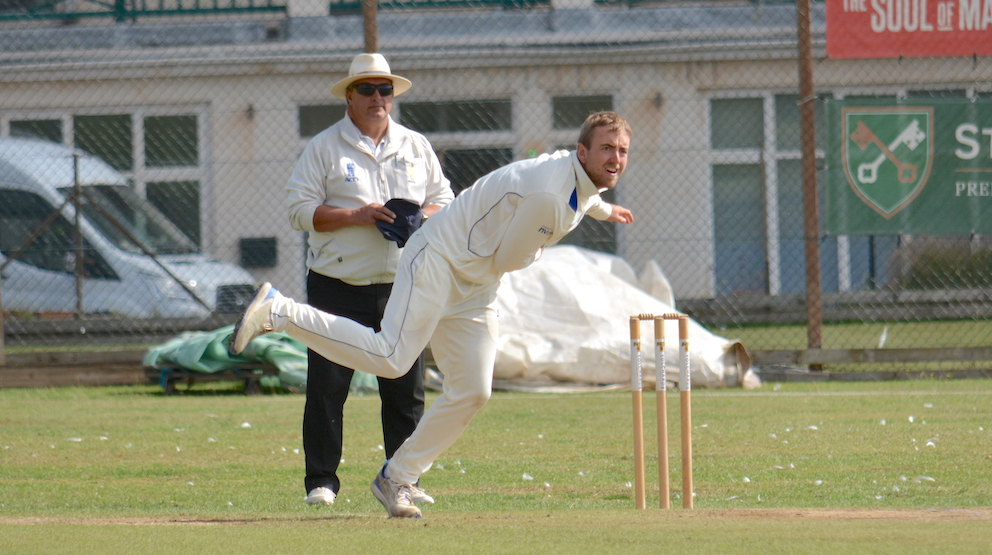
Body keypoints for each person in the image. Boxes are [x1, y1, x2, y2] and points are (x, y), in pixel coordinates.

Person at [233, 111, 635, 518]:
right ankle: (280, 311)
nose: (615, 158)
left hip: (475, 282)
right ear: (582, 151)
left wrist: (604, 210)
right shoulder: (550, 198)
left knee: (472, 390)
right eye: (606, 148)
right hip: (439, 259)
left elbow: (581, 196)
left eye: (621, 150)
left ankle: (397, 476)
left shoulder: (571, 175)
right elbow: (514, 257)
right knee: (391, 358)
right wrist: (543, 246)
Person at [285, 52, 454, 507]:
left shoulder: (415, 145)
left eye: (386, 89)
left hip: (404, 283)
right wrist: (357, 216)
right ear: (349, 96)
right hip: (337, 283)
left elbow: (446, 201)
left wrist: (422, 219)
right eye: (368, 89)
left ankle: (401, 480)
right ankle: (321, 482)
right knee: (327, 386)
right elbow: (299, 211)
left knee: (405, 389)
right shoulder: (323, 147)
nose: (378, 97)